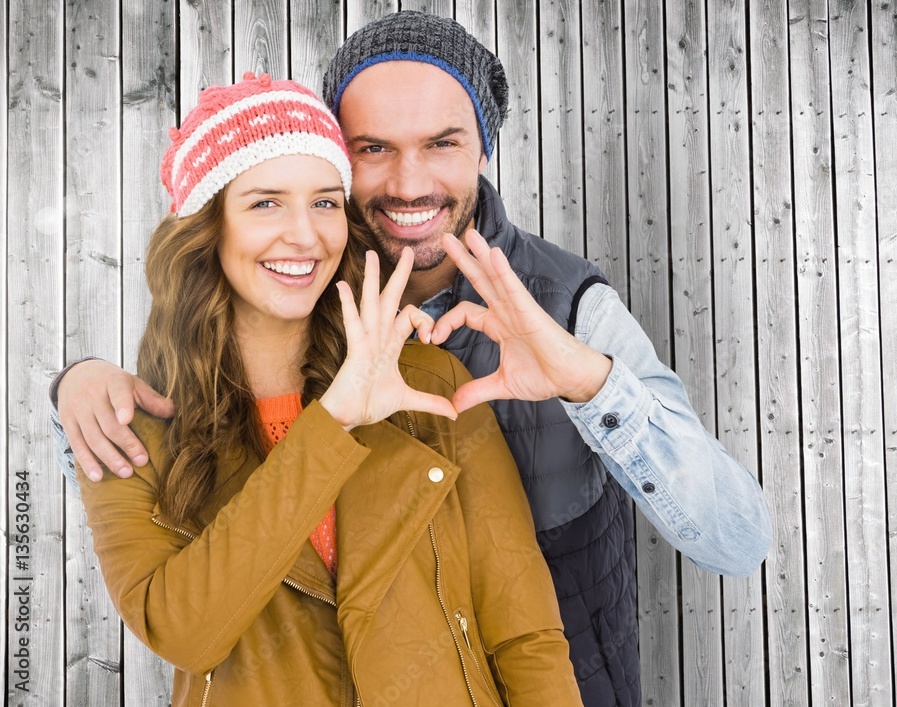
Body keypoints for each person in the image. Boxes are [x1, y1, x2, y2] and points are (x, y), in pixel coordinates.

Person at [53, 12, 772, 706]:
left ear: (484, 149)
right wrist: (76, 389)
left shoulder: (563, 309)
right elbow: (168, 536)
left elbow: (733, 542)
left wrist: (587, 383)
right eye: (372, 148)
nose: (406, 183)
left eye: (442, 143)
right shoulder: (263, 338)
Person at [75, 72, 582, 706]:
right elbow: (184, 632)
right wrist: (333, 420)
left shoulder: (425, 381)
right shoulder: (130, 431)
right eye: (265, 202)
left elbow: (525, 633)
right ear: (210, 228)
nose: (306, 235)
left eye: (324, 202)